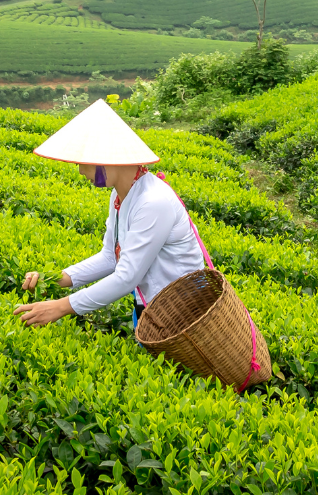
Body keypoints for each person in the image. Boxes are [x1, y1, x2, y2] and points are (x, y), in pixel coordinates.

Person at [13, 98, 208, 328]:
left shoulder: (153, 202)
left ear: (109, 159)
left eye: (85, 162)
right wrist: (55, 278)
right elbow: (110, 257)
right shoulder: (119, 196)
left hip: (185, 317)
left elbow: (127, 277)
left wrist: (61, 307)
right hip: (152, 309)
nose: (80, 170)